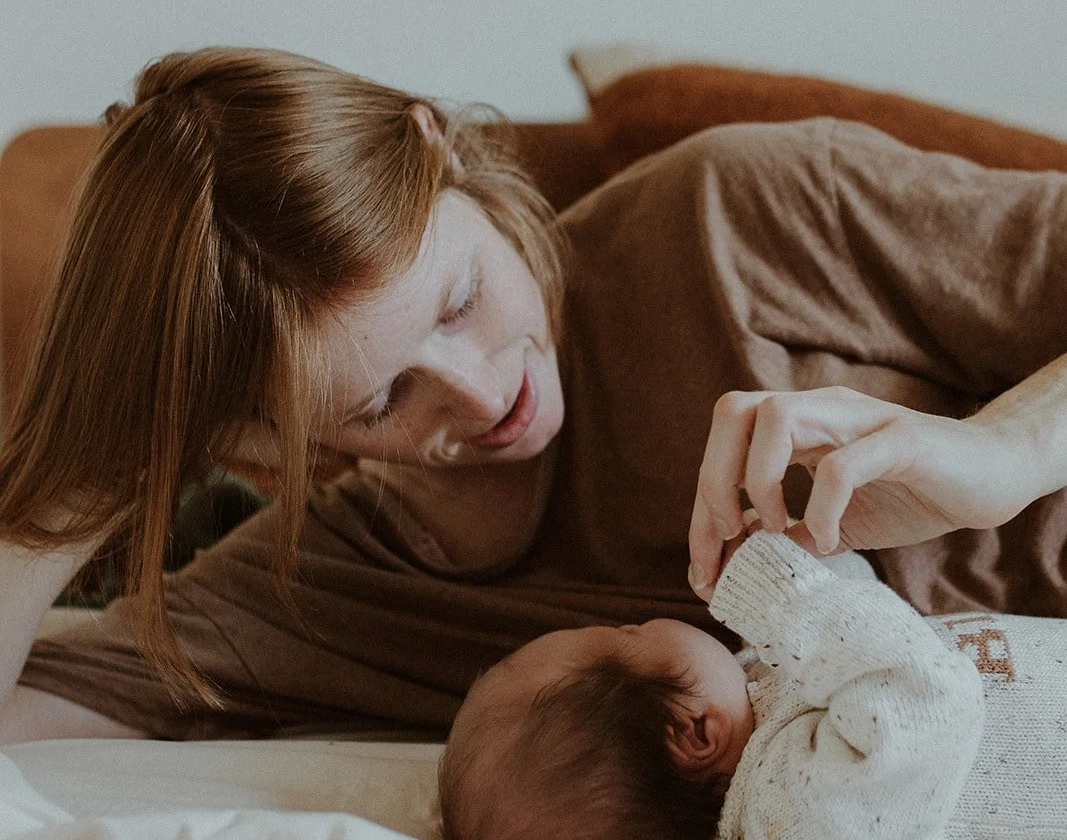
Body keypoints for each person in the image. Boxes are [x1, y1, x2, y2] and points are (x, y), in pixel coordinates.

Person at [6, 46, 1067, 743]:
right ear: (264, 441)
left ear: (439, 146)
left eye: (461, 297)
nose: (478, 398)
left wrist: (1003, 454)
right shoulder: (320, 592)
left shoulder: (729, 215)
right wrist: (101, 436)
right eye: (380, 404)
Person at [440, 525, 1067, 840]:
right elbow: (925, 700)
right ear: (692, 730)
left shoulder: (751, 707)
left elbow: (863, 617)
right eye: (628, 634)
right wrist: (783, 595)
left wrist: (815, 554)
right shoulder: (791, 819)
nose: (643, 621)